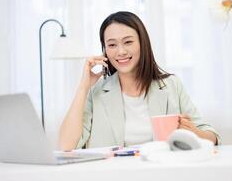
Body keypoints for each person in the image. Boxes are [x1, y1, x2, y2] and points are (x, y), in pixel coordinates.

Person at [59, 11, 219, 151]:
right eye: (112, 45)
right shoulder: (97, 92)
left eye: (128, 42)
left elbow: (213, 137)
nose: (121, 51)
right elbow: (66, 145)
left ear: (143, 43)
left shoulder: (171, 85)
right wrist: (83, 87)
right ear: (105, 50)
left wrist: (193, 132)